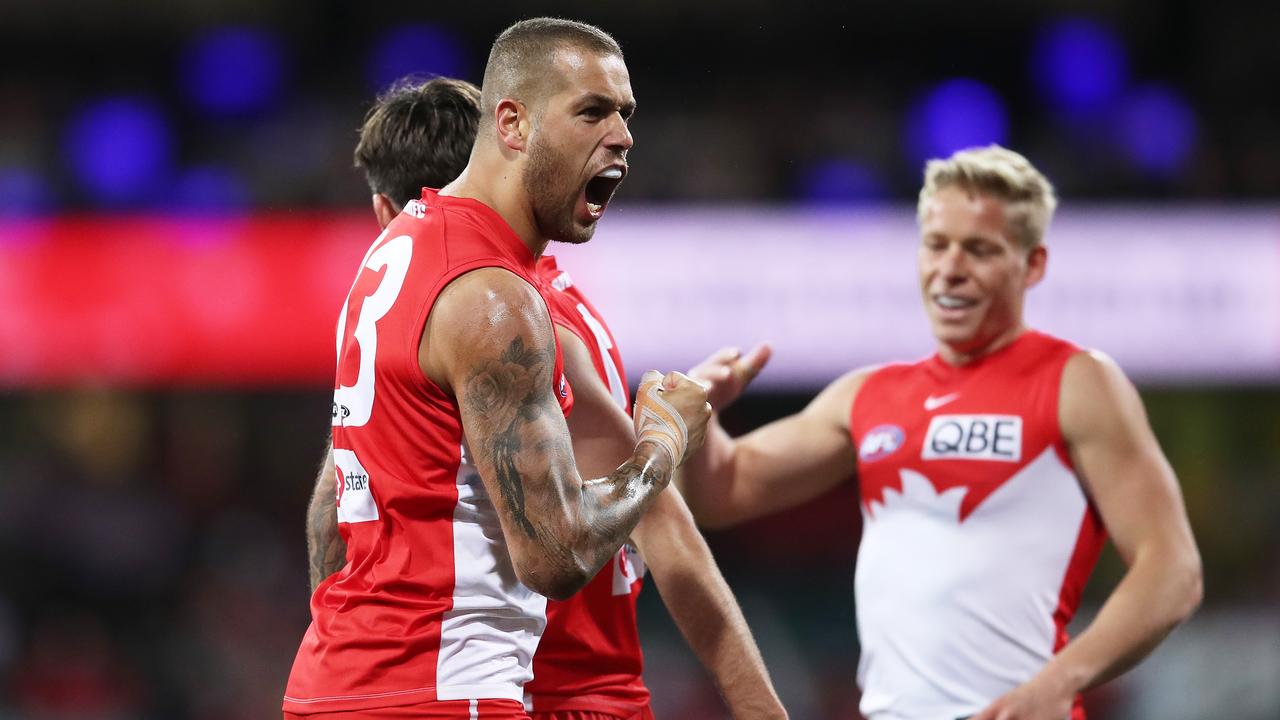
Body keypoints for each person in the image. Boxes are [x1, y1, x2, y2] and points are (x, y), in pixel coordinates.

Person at [305, 75, 788, 720]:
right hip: (542, 686)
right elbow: (661, 529)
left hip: (429, 679)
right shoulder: (525, 312)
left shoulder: (455, 299)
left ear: (387, 214)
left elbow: (332, 508)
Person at [679, 146, 1204, 720]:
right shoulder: (869, 394)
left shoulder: (1078, 382)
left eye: (979, 250)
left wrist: (1058, 682)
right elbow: (721, 492)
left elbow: (1172, 569)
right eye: (936, 244)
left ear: (1033, 264)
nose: (950, 268)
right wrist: (698, 418)